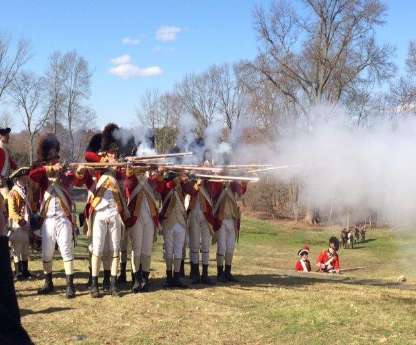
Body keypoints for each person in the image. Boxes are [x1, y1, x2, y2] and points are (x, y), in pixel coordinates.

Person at [29, 134, 85, 298]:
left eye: (56, 154)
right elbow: (33, 175)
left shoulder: (64, 171)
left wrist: (79, 173)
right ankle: (48, 282)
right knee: (46, 253)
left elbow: (75, 179)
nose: (54, 157)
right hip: (48, 220)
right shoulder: (42, 172)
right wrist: (48, 169)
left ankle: (70, 285)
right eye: (51, 155)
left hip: (63, 218)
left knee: (66, 250)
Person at [83, 124, 131, 298]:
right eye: (111, 152)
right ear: (104, 152)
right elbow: (88, 155)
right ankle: (94, 284)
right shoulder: (99, 163)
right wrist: (103, 160)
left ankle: (112, 284)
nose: (114, 155)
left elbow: (127, 180)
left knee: (115, 249)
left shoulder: (119, 169)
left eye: (115, 152)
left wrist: (125, 167)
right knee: (97, 248)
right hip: (100, 209)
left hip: (115, 211)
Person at [124, 165, 164, 292]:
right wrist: (131, 170)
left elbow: (160, 187)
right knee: (137, 249)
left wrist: (160, 174)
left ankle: (145, 279)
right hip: (136, 217)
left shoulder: (150, 180)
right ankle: (136, 279)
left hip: (150, 218)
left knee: (147, 249)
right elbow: (128, 185)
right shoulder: (132, 178)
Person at [159, 171, 193, 288]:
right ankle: (169, 277)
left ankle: (177, 276)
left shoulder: (182, 185)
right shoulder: (166, 184)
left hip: (181, 222)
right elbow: (165, 187)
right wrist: (177, 179)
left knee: (179, 250)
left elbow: (192, 190)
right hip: (168, 221)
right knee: (169, 250)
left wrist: (188, 179)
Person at [212, 180, 248, 283]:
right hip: (221, 219)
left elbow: (241, 191)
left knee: (230, 247)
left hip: (232, 219)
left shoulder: (234, 183)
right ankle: (220, 273)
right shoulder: (218, 182)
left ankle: (228, 272)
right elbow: (213, 193)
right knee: (222, 246)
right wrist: (222, 183)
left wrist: (244, 183)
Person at [8, 167, 34, 281]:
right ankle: (18, 272)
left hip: (26, 224)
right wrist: (23, 222)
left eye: (25, 178)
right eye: (22, 179)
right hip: (17, 224)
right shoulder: (13, 193)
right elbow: (12, 212)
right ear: (17, 180)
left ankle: (25, 270)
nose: (25, 181)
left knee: (25, 249)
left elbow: (31, 206)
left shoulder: (27, 191)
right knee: (17, 249)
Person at [0, 127, 17, 199]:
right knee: (8, 200)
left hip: (8, 179)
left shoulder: (6, 149)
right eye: (6, 135)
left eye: (8, 135)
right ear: (1, 136)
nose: (8, 137)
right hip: (2, 181)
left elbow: (13, 165)